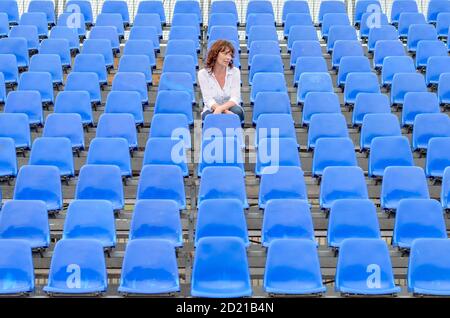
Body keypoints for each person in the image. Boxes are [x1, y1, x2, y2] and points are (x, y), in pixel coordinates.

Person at [198, 40, 244, 122]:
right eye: (225, 53)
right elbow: (208, 100)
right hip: (212, 108)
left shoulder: (235, 72)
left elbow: (235, 97)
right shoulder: (203, 74)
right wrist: (223, 111)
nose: (228, 57)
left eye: (230, 55)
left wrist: (221, 109)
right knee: (209, 116)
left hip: (231, 107)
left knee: (237, 112)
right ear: (215, 54)